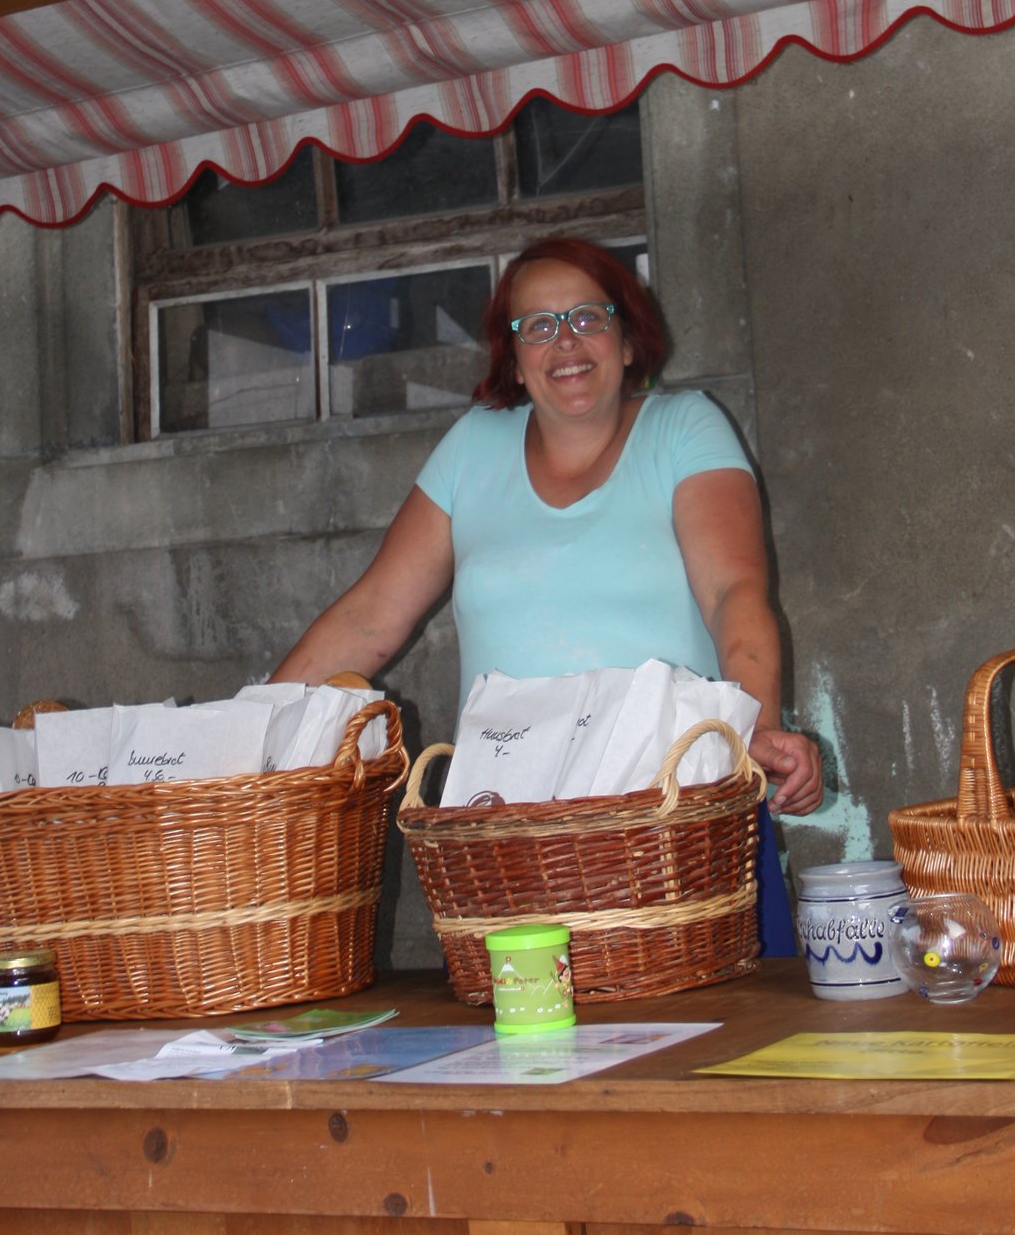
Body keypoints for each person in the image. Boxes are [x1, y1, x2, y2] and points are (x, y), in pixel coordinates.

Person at [274, 237, 823, 912]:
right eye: (538, 326)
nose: (565, 343)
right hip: (510, 830)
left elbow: (732, 593)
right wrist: (252, 728)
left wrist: (758, 730)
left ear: (628, 339)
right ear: (515, 358)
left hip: (674, 816)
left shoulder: (685, 429)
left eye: (588, 318)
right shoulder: (474, 447)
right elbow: (369, 617)